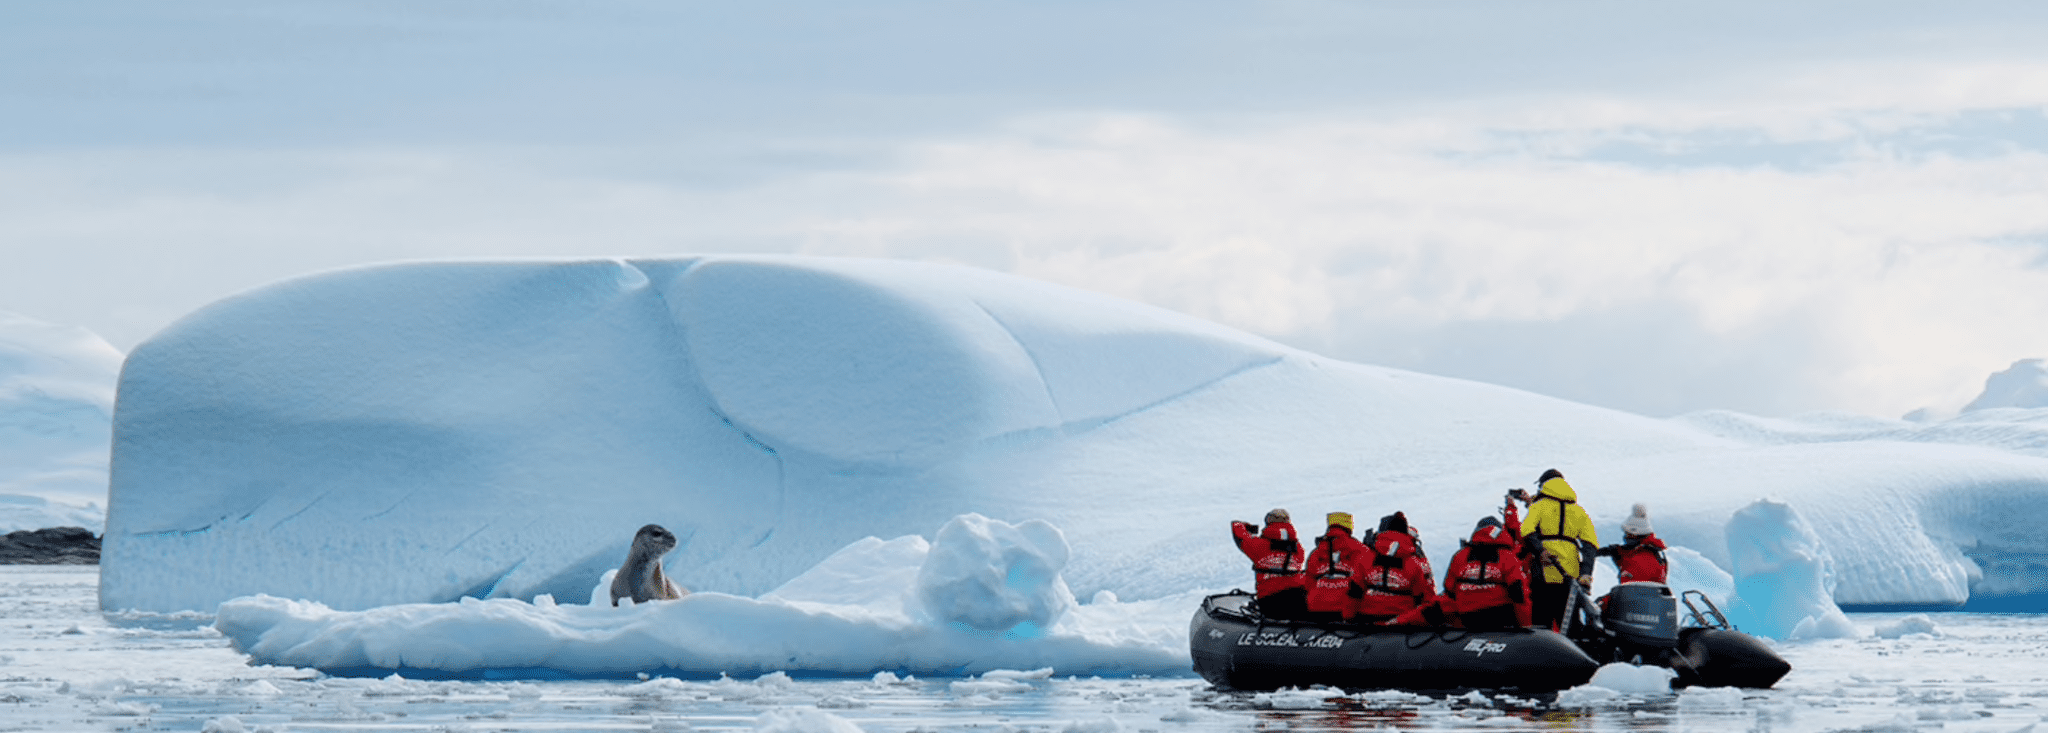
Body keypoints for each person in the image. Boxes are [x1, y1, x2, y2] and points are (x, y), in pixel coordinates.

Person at [1519, 468, 1599, 630]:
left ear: (1543, 485)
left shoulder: (1539, 506)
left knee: (1541, 623)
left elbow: (1525, 530)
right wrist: (1586, 573)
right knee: (1569, 624)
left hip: (1544, 570)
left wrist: (1540, 550)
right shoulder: (1579, 511)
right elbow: (1590, 544)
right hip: (1570, 574)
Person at [1439, 516, 1532, 628]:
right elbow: (1519, 594)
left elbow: (1449, 593)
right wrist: (1525, 626)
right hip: (1501, 621)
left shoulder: (1460, 556)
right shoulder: (1508, 557)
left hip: (1466, 620)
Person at [1352, 512, 1436, 624]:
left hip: (1367, 617)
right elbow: (1425, 594)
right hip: (1402, 620)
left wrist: (1349, 619)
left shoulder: (1366, 556)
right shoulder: (1415, 559)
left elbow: (1354, 590)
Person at [1231, 508, 1309, 620]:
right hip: (1299, 597)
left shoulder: (1259, 546)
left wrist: (1244, 526)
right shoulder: (1298, 549)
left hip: (1270, 601)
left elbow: (1238, 532)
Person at [1301, 512, 1371, 623]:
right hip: (1345, 609)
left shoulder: (1316, 552)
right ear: (1349, 527)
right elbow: (1365, 581)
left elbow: (1308, 582)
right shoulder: (1361, 550)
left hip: (1316, 606)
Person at [1595, 503, 1669, 585]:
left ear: (1637, 535)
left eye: (1628, 534)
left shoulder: (1645, 557)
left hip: (1637, 595)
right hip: (1650, 595)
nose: (1625, 537)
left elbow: (1635, 586)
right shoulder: (1653, 550)